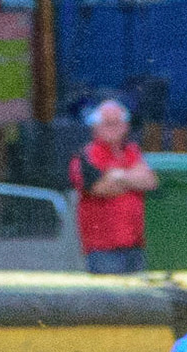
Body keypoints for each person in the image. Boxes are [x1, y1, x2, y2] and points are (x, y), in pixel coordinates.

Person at [70, 100, 157, 275]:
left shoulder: (132, 151)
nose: (113, 128)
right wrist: (132, 179)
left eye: (117, 123)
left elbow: (150, 181)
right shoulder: (87, 155)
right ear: (95, 126)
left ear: (126, 126)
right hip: (103, 249)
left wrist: (118, 176)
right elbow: (99, 188)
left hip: (135, 245)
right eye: (107, 123)